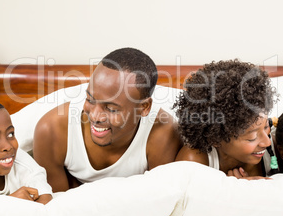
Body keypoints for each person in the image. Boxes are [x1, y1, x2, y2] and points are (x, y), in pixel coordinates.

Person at [33, 47, 182, 192]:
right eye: (90, 100)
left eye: (111, 109)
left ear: (144, 107)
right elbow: (56, 209)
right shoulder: (51, 131)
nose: (95, 117)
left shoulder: (163, 134)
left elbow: (157, 203)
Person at [174, 59, 277, 178]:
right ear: (215, 139)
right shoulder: (194, 161)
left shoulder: (277, 148)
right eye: (251, 137)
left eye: (266, 127)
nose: (267, 142)